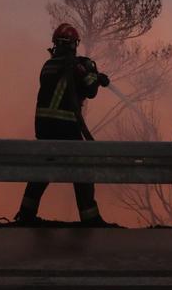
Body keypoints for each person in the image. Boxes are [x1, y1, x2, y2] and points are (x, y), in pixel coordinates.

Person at [13, 23, 111, 227]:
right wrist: (96, 75)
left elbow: (69, 87)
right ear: (73, 44)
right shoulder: (74, 66)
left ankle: (26, 213)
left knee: (43, 169)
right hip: (66, 127)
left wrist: (86, 69)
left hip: (44, 128)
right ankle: (90, 217)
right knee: (81, 168)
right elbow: (90, 89)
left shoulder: (48, 65)